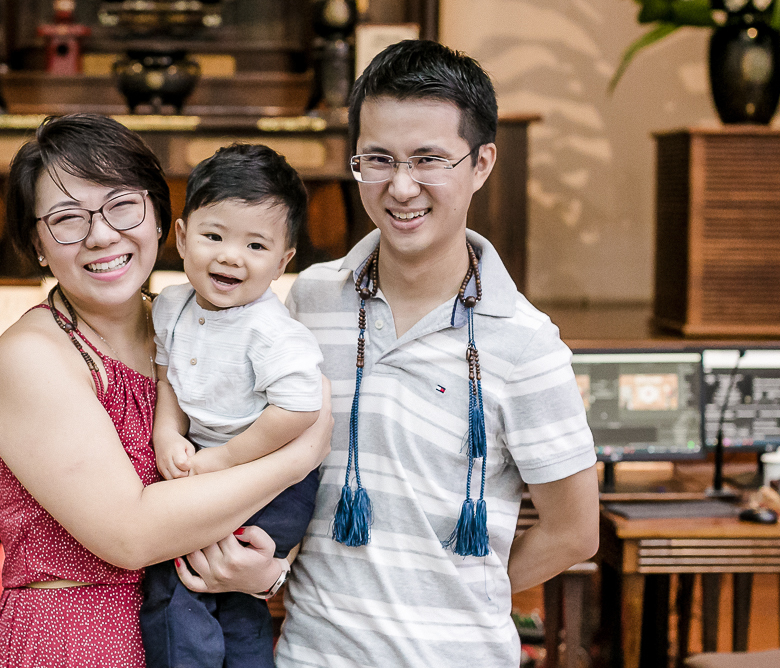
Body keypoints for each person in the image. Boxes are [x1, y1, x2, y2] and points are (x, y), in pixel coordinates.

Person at [174, 41, 601, 667]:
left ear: (481, 163)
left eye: (429, 159)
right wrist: (269, 572)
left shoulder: (526, 343)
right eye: (378, 160)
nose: (401, 187)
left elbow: (573, 530)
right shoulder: (305, 301)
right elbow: (287, 479)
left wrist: (457, 600)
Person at [0, 114, 332, 668]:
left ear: (162, 219)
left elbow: (247, 520)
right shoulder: (33, 357)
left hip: (199, 623)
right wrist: (302, 456)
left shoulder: (195, 326)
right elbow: (131, 536)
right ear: (38, 245)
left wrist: (265, 575)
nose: (101, 235)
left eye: (122, 206)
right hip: (78, 643)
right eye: (67, 218)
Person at [141, 144, 324, 668]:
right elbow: (166, 374)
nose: (229, 256)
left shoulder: (273, 333)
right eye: (213, 235)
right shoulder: (171, 304)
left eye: (255, 244)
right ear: (180, 237)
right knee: (222, 599)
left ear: (284, 260)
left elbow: (298, 411)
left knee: (187, 581)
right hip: (205, 457)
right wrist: (167, 434)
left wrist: (223, 461)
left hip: (274, 474)